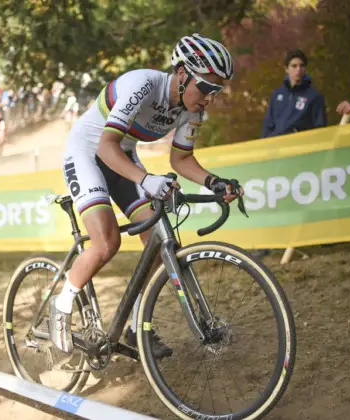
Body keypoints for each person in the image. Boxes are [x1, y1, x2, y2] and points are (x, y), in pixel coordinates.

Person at [48, 33, 243, 358]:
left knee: (155, 240)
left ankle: (137, 327)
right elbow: (105, 145)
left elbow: (180, 159)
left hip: (121, 157)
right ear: (182, 73)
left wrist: (214, 182)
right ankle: (63, 301)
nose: (211, 97)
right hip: (87, 152)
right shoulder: (142, 84)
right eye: (207, 86)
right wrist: (146, 179)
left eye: (217, 90)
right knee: (107, 243)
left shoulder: (192, 110)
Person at [262, 49, 327, 138]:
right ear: (286, 69)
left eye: (302, 66)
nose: (298, 69)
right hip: (276, 145)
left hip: (299, 145)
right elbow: (268, 125)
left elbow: (320, 128)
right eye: (294, 66)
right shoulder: (277, 95)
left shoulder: (314, 97)